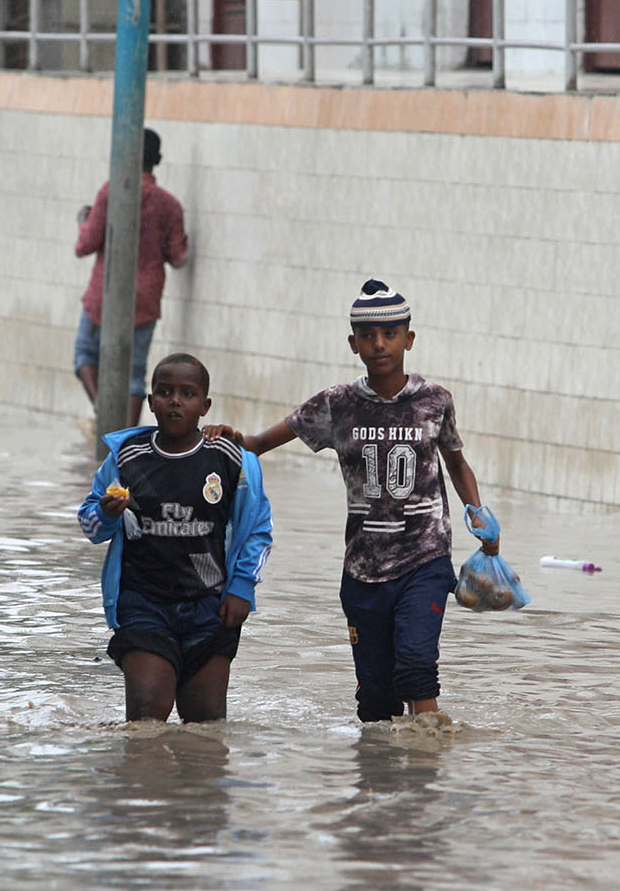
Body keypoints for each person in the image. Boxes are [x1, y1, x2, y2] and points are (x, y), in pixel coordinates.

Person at [204, 280, 499, 724]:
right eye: (367, 336)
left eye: (390, 334)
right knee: (376, 706)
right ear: (353, 344)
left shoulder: (434, 401)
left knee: (418, 667)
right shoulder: (337, 404)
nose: (379, 345)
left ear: (409, 339)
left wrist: (479, 512)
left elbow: (456, 463)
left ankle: (425, 776)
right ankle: (380, 782)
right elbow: (259, 443)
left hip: (426, 559)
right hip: (363, 569)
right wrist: (224, 439)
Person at [79, 353, 273, 722]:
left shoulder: (230, 459)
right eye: (165, 392)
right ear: (150, 402)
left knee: (205, 725)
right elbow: (89, 524)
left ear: (205, 405)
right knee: (147, 710)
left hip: (209, 607)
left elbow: (258, 527)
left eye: (188, 393)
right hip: (143, 604)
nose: (175, 401)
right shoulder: (126, 458)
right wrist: (104, 514)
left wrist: (243, 586)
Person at [74, 128, 190, 427]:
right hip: (145, 297)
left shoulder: (111, 192)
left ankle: (104, 414)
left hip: (107, 291)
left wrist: (84, 221)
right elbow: (178, 258)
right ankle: (126, 436)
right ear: (159, 160)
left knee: (84, 354)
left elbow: (85, 244)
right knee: (135, 372)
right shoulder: (170, 205)